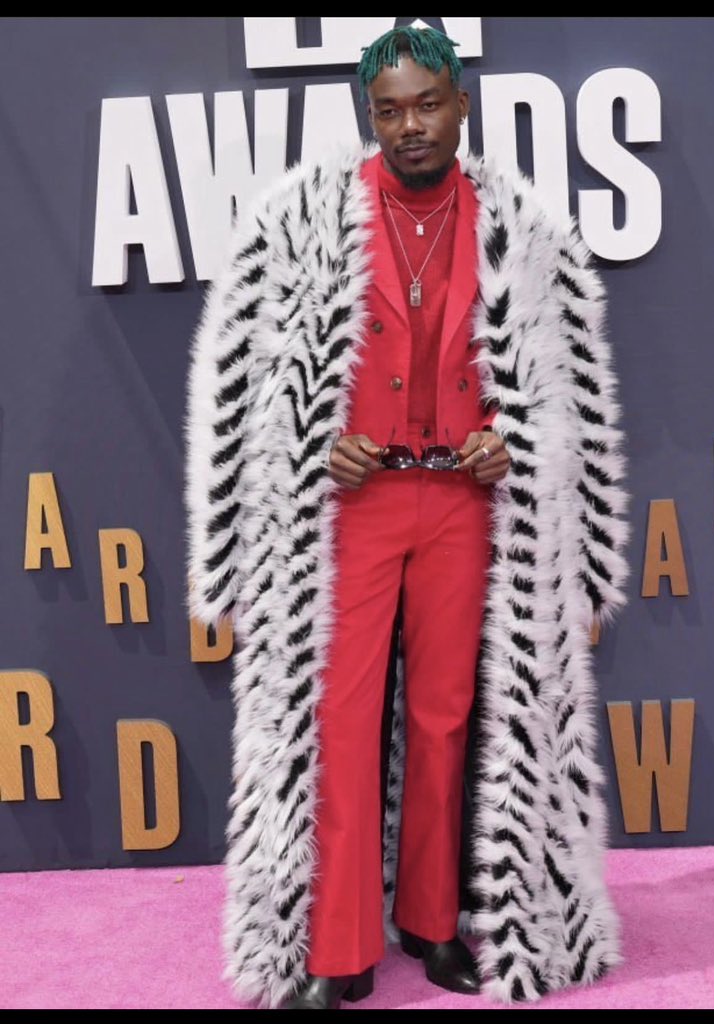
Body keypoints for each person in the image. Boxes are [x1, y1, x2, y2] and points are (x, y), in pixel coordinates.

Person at [184, 25, 629, 1012]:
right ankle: (337, 947)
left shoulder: (520, 228)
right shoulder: (305, 221)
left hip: (466, 505)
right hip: (355, 506)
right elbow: (247, 381)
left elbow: (566, 385)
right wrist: (315, 443)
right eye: (388, 110)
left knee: (445, 717)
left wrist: (512, 436)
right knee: (338, 720)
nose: (409, 125)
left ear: (460, 104)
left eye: (426, 103)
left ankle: (432, 924)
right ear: (369, 117)